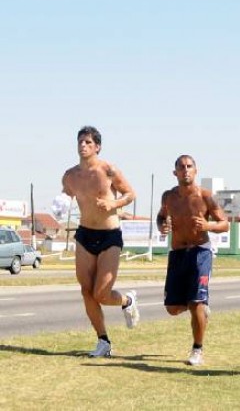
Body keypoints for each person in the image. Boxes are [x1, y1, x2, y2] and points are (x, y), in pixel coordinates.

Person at [62, 125, 139, 358]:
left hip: (109, 235)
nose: (83, 146)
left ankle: (127, 300)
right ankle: (103, 341)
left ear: (97, 147)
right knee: (86, 292)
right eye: (80, 142)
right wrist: (60, 205)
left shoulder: (107, 170)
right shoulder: (70, 175)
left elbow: (130, 194)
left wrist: (113, 205)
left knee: (101, 294)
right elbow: (65, 196)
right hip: (85, 234)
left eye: (88, 142)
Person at [157, 154, 229, 366]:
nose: (185, 170)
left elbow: (225, 224)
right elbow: (161, 216)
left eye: (189, 166)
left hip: (200, 252)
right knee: (172, 308)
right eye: (181, 167)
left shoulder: (205, 196)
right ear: (175, 172)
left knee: (196, 301)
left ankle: (197, 349)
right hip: (178, 252)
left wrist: (208, 226)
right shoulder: (168, 197)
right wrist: (162, 225)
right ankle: (198, 306)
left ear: (195, 171)